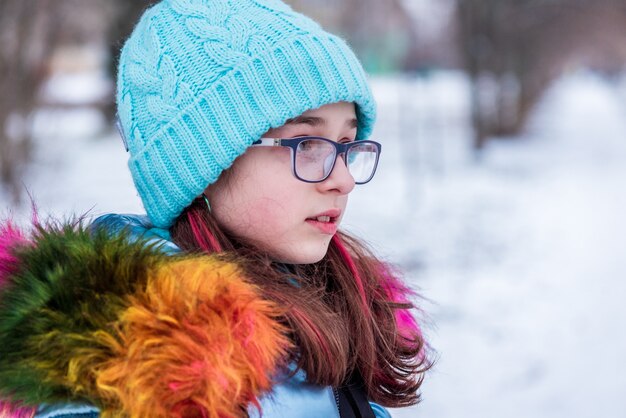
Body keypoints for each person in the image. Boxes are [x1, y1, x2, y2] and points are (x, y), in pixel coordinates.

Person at [0, 0, 431, 417]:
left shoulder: (340, 310)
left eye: (346, 144)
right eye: (308, 145)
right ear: (203, 169)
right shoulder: (120, 369)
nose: (344, 179)